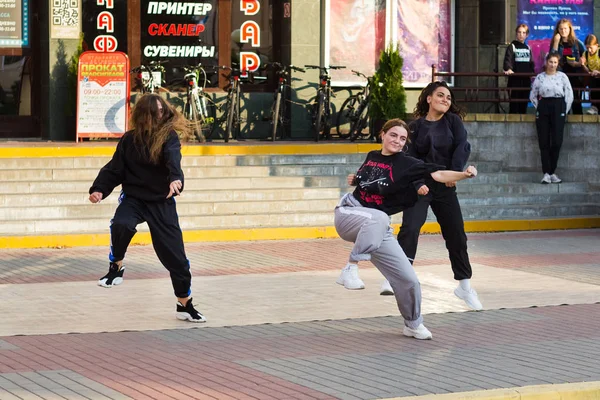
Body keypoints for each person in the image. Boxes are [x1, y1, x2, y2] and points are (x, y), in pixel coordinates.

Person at [335, 118, 478, 339]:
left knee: (408, 279)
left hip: (376, 227)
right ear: (382, 135)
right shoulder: (372, 156)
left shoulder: (407, 163)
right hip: (349, 214)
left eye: (402, 139)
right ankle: (351, 268)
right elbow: (369, 181)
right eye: (393, 135)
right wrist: (356, 180)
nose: (398, 141)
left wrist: (463, 175)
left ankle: (412, 323)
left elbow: (439, 175)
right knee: (380, 218)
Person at [88, 93, 206, 323]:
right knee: (122, 224)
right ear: (144, 115)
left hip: (162, 202)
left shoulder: (168, 137)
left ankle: (184, 303)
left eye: (162, 111)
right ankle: (117, 266)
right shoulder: (129, 140)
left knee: (177, 260)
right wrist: (99, 189)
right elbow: (114, 169)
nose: (160, 115)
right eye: (155, 112)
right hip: (134, 198)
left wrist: (176, 179)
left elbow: (173, 159)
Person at [529, 53, 573, 185]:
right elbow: (533, 94)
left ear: (557, 63)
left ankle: (552, 171)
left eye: (555, 62)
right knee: (543, 140)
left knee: (557, 141)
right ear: (546, 62)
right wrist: (539, 108)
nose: (552, 65)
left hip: (558, 106)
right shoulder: (540, 77)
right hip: (544, 107)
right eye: (550, 62)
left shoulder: (562, 77)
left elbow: (569, 94)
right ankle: (546, 173)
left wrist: (564, 110)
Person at [550, 18, 585, 115]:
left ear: (570, 29)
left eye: (565, 28)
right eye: (561, 29)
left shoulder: (577, 43)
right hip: (560, 76)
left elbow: (585, 56)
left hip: (575, 77)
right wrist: (556, 42)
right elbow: (552, 58)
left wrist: (580, 62)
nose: (563, 31)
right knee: (563, 103)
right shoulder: (556, 42)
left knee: (576, 102)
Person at [503, 24, 535, 114]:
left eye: (523, 33)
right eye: (519, 32)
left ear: (527, 35)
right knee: (514, 104)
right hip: (515, 80)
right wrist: (508, 69)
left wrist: (532, 72)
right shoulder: (512, 46)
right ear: (516, 34)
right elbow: (507, 60)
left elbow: (531, 62)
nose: (521, 34)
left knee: (523, 103)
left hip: (525, 80)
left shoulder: (528, 48)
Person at [581, 34, 600, 115]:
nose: (589, 50)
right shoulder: (585, 54)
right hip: (593, 78)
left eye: (591, 48)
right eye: (587, 47)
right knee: (593, 88)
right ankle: (594, 107)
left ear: (597, 45)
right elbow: (587, 70)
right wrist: (582, 64)